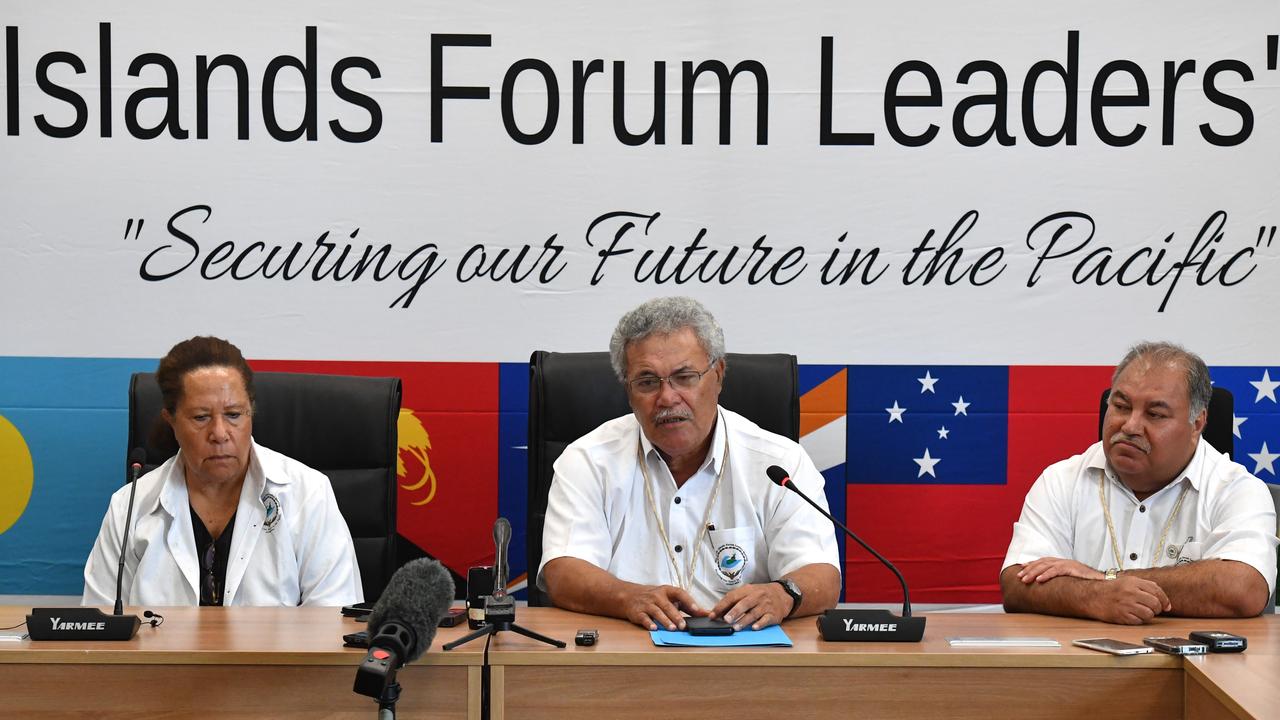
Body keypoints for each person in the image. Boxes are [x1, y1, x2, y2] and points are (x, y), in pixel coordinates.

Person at [539, 297, 842, 632]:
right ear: (628, 390)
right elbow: (563, 572)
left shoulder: (779, 464)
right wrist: (628, 597)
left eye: (685, 377)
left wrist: (782, 595)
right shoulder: (589, 460)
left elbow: (822, 575)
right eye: (647, 381)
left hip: (747, 661)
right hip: (625, 656)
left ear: (719, 375)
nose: (667, 398)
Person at [1002, 341, 1277, 624]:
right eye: (1121, 406)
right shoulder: (1061, 480)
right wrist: (1098, 597)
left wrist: (1101, 582)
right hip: (1082, 659)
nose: (1130, 426)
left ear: (1197, 423)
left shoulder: (1237, 488)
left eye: (1155, 414)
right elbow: (1016, 584)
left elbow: (1243, 588)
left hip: (1196, 663)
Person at [82, 336, 362, 607]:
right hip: (162, 657)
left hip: (278, 657)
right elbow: (101, 631)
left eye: (234, 415)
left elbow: (334, 621)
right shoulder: (129, 506)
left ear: (251, 413)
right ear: (171, 421)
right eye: (201, 417)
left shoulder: (308, 493)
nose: (219, 433)